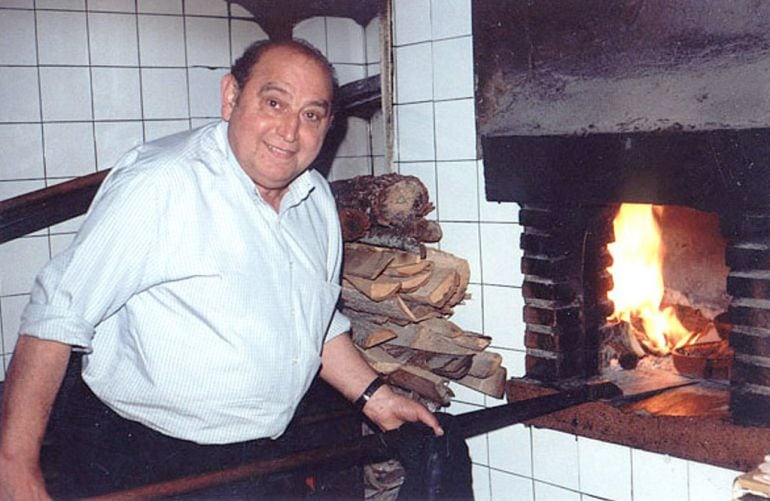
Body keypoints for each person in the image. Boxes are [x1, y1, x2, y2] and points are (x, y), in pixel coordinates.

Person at [0, 39, 442, 500]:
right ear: (231, 97)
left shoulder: (314, 201)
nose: (289, 132)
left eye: (311, 114)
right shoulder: (161, 183)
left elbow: (316, 321)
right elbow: (55, 316)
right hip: (147, 460)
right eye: (274, 103)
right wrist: (15, 468)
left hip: (263, 455)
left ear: (329, 125)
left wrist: (376, 397)